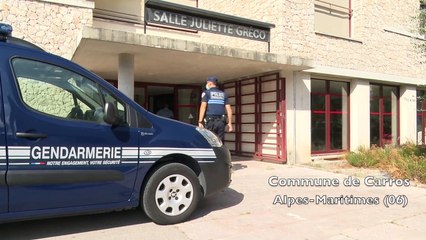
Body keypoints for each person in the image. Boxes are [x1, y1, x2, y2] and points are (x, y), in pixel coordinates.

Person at [198, 76, 233, 141]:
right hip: (221, 122)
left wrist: (200, 121)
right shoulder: (223, 94)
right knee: (219, 142)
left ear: (210, 83)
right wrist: (230, 123)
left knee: (209, 141)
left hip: (210, 121)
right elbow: (229, 109)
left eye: (207, 83)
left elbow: (203, 107)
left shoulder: (206, 93)